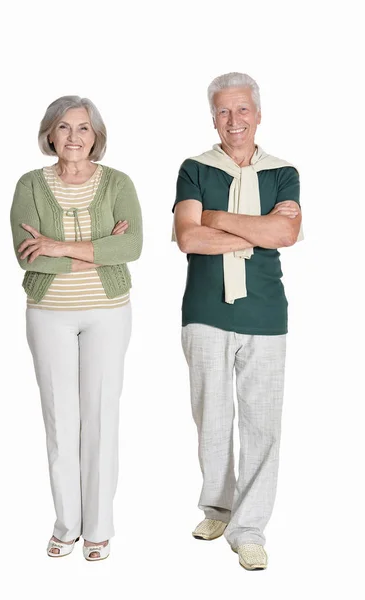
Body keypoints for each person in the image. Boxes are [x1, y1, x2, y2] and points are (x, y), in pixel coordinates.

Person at [172, 72, 302, 570]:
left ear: (258, 113)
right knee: (212, 418)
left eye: (242, 109)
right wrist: (258, 232)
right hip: (204, 309)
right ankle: (218, 508)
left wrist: (215, 217)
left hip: (266, 311)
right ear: (213, 118)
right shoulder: (194, 168)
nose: (234, 120)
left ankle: (250, 529)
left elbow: (286, 235)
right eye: (224, 111)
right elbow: (188, 238)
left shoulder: (283, 171)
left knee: (262, 423)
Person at [10, 96, 143, 561]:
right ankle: (66, 526)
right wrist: (95, 247)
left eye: (83, 128)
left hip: (108, 311)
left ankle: (99, 529)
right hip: (49, 313)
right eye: (63, 127)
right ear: (50, 134)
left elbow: (131, 246)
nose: (73, 136)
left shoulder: (118, 183)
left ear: (96, 136)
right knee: (60, 422)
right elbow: (28, 254)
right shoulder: (30, 184)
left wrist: (59, 244)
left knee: (102, 418)